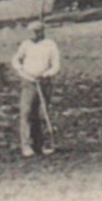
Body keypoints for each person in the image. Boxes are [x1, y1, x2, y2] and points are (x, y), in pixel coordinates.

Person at [12, 19, 61, 156]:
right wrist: (22, 72)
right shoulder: (26, 45)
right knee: (26, 113)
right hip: (28, 83)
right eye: (30, 32)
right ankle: (26, 146)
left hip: (44, 83)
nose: (30, 35)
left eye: (33, 32)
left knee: (41, 113)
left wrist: (47, 74)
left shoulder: (50, 45)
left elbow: (56, 64)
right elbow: (16, 60)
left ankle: (42, 145)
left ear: (40, 32)